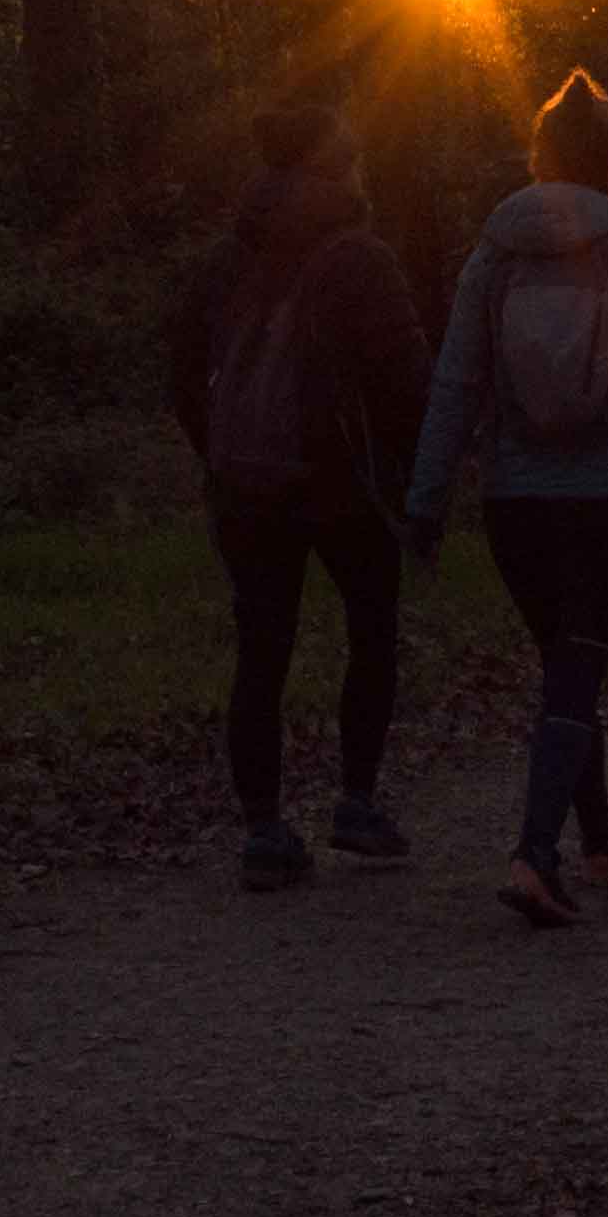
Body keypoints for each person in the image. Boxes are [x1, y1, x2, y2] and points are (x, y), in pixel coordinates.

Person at [401, 69, 608, 929]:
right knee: (576, 667)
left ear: (540, 153)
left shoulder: (495, 252)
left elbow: (456, 384)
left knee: (566, 666)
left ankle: (599, 833)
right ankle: (535, 853)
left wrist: (427, 502)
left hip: (516, 500)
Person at [169, 101, 428, 892]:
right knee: (372, 629)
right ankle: (356, 801)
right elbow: (409, 382)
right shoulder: (361, 258)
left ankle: (263, 828)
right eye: (348, 144)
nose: (359, 151)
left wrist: (218, 452)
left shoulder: (223, 259)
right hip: (343, 485)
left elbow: (184, 370)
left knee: (261, 650)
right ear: (327, 160)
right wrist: (406, 472)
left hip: (245, 485)